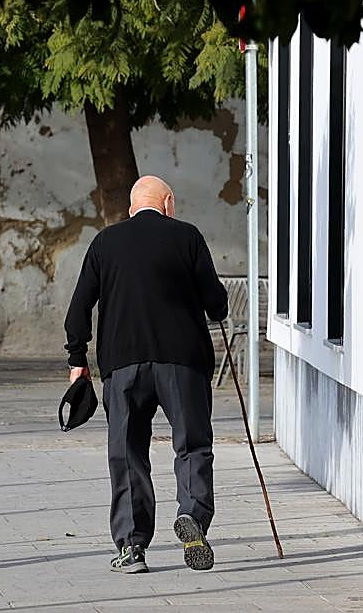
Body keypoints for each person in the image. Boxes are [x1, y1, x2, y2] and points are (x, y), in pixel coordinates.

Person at [65, 175, 229, 574]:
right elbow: (216, 303)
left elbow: (79, 307)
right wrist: (213, 303)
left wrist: (77, 359)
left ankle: (132, 547)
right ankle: (192, 515)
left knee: (127, 452)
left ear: (132, 208)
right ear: (168, 203)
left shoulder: (105, 242)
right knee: (191, 445)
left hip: (123, 366)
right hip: (182, 363)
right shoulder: (187, 237)